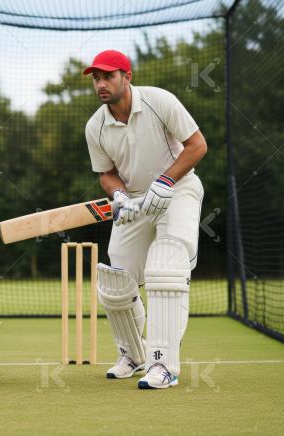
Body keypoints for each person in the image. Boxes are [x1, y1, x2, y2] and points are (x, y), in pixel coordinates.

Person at [83, 50, 207, 389]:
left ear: (127, 76)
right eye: (96, 78)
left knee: (165, 270)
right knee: (116, 280)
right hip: (135, 200)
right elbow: (106, 174)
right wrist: (119, 195)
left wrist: (165, 181)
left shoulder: (159, 101)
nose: (101, 84)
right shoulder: (96, 126)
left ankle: (163, 365)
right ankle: (133, 355)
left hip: (178, 189)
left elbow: (197, 145)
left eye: (108, 76)